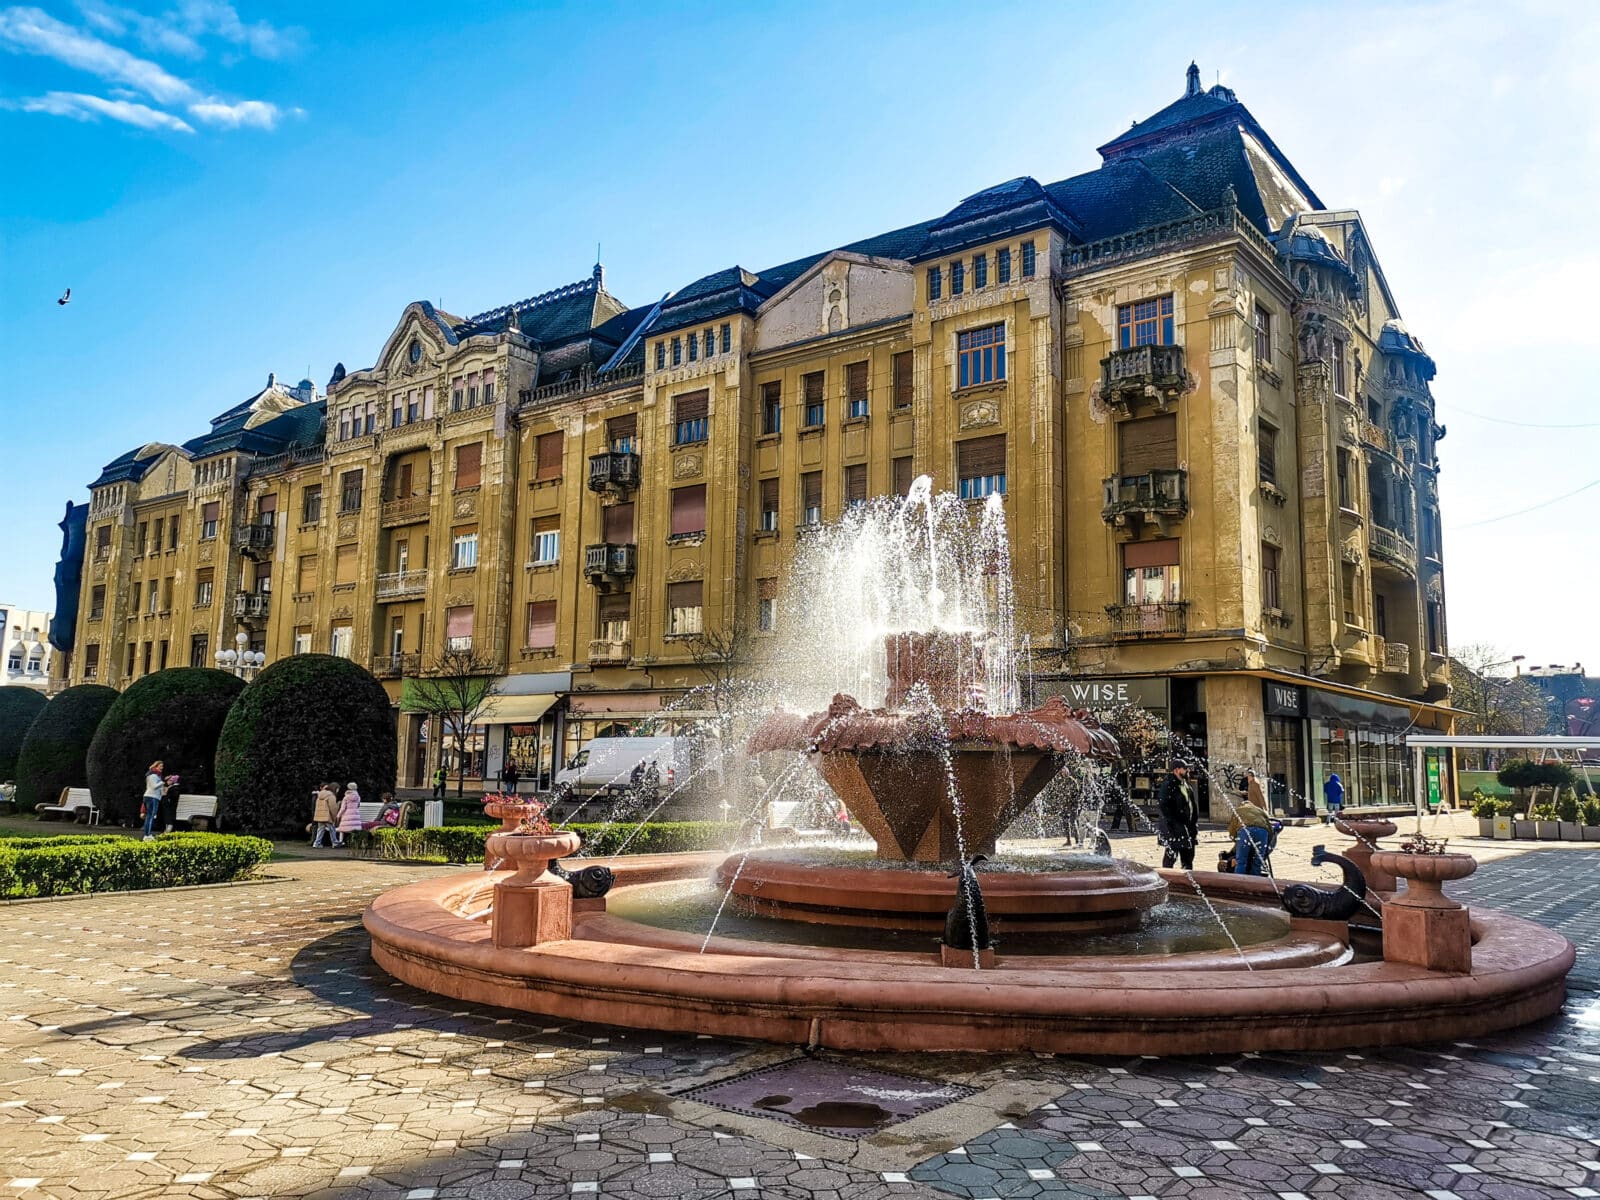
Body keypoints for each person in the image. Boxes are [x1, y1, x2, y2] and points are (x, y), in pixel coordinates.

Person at [1157, 763, 1198, 870]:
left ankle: (1188, 880)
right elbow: (1164, 807)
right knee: (1171, 856)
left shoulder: (1186, 785)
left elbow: (1191, 804)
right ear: (1176, 770)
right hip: (1174, 828)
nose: (1187, 770)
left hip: (1188, 827)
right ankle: (1167, 878)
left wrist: (1193, 823)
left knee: (1188, 857)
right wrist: (1172, 824)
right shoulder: (1168, 785)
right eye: (1184, 768)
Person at [1227, 795, 1274, 876]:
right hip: (1263, 832)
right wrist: (1267, 841)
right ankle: (1255, 882)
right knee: (1257, 861)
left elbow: (1232, 829)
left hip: (1245, 831)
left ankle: (1239, 882)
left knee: (1241, 861)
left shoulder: (1238, 810)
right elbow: (1269, 827)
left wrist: (1235, 841)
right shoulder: (1259, 810)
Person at [140, 760, 165, 840]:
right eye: (160, 766)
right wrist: (162, 782)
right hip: (151, 797)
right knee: (150, 817)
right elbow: (154, 786)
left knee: (150, 816)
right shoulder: (153, 775)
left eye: (162, 766)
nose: (162, 767)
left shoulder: (157, 775)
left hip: (153, 797)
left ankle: (148, 834)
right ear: (156, 766)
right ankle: (147, 835)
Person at [335, 782, 363, 848]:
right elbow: (358, 805)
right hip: (355, 814)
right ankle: (353, 842)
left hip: (347, 815)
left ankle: (340, 841)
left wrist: (338, 815)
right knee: (354, 829)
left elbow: (343, 808)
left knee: (342, 829)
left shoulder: (346, 797)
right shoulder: (358, 797)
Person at [311, 782, 338, 848]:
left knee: (320, 829)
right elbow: (333, 807)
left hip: (320, 816)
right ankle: (335, 843)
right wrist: (334, 817)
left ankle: (317, 843)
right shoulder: (331, 795)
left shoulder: (319, 795)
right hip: (327, 816)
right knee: (332, 829)